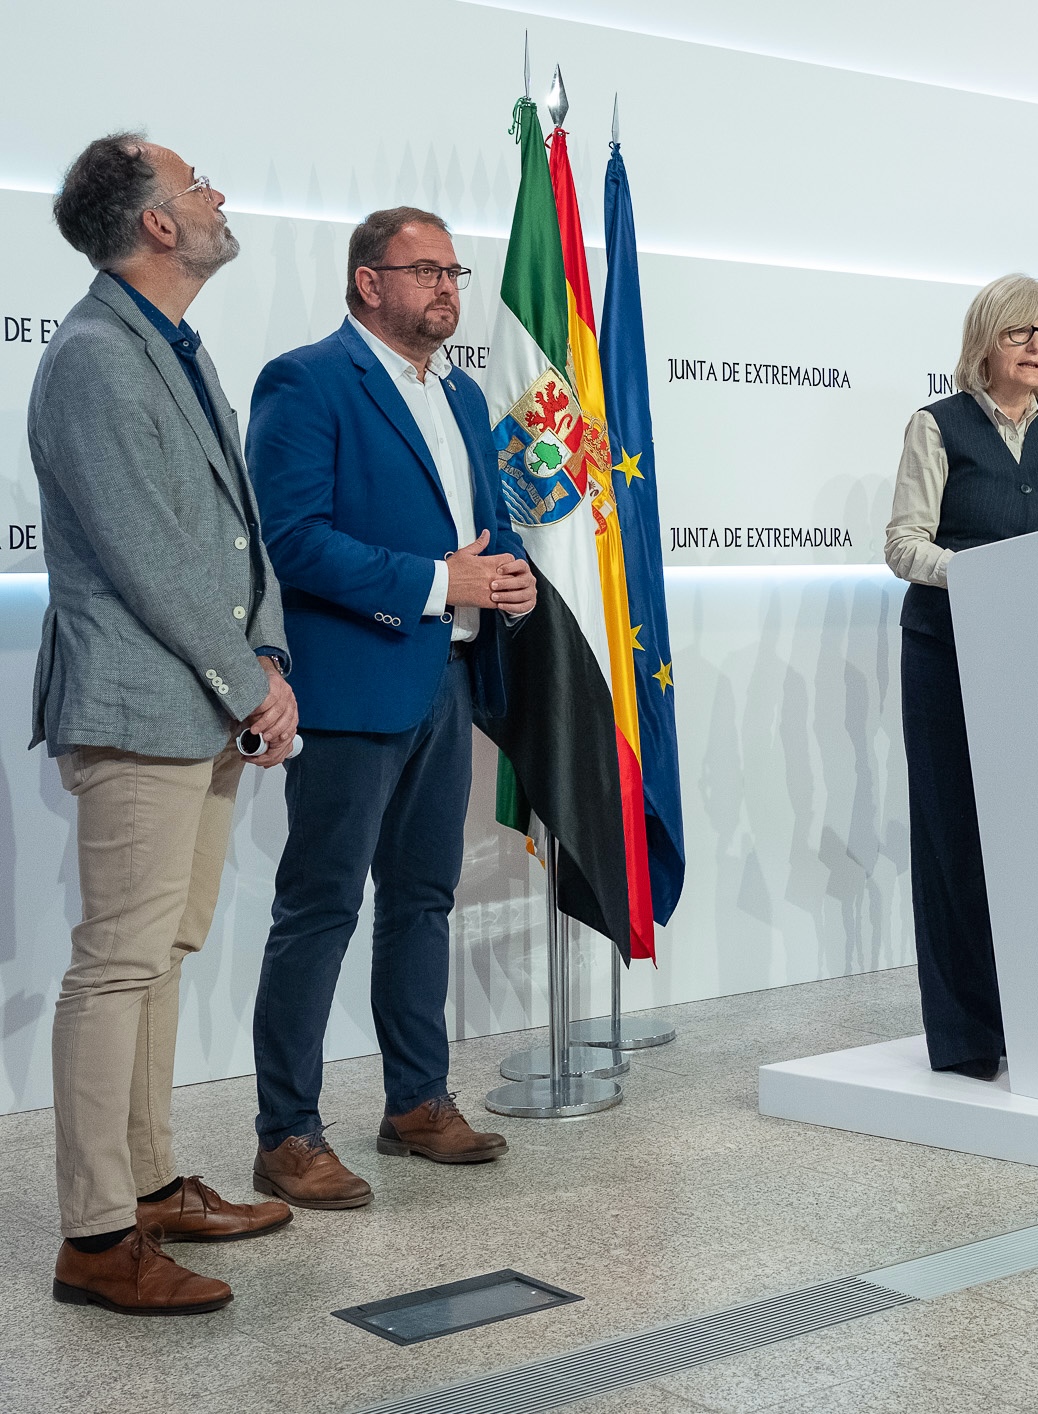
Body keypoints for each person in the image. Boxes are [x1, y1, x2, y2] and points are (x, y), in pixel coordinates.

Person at [31, 133, 298, 1316]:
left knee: (162, 956)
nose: (216, 196)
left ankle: (145, 1183)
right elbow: (150, 556)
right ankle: (95, 1237)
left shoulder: (171, 348)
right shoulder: (94, 356)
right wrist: (251, 682)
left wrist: (272, 657)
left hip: (203, 698)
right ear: (153, 222)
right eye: (196, 185)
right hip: (144, 703)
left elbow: (237, 532)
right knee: (117, 965)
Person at [245, 207, 536, 1208]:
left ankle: (417, 1100)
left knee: (422, 902)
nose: (448, 287)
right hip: (351, 687)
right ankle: (286, 1130)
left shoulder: (455, 391)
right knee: (320, 906)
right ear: (370, 282)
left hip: (444, 685)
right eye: (426, 270)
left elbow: (479, 529)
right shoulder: (308, 380)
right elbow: (292, 539)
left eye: (454, 270)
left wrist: (505, 577)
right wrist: (433, 582)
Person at [884, 273, 1038, 1080]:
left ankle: (1027, 1017)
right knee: (952, 840)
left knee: (1025, 844)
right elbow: (902, 544)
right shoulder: (937, 425)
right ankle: (964, 1036)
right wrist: (980, 574)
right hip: (944, 655)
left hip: (1026, 659)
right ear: (984, 342)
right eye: (1021, 334)